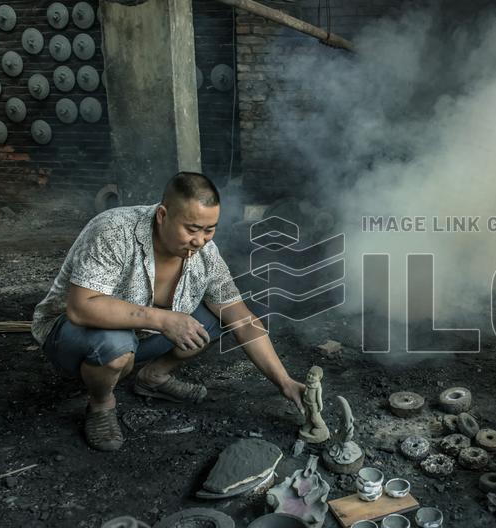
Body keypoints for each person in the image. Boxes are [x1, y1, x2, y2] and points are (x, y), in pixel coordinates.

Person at [31, 172, 305, 451]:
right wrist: (164, 319)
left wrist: (285, 382)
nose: (200, 240)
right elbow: (80, 307)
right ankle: (101, 405)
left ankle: (153, 378)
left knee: (217, 319)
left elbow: (242, 320)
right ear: (163, 215)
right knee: (116, 346)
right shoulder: (113, 230)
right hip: (69, 335)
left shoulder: (205, 254)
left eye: (209, 229)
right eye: (192, 228)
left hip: (139, 336)